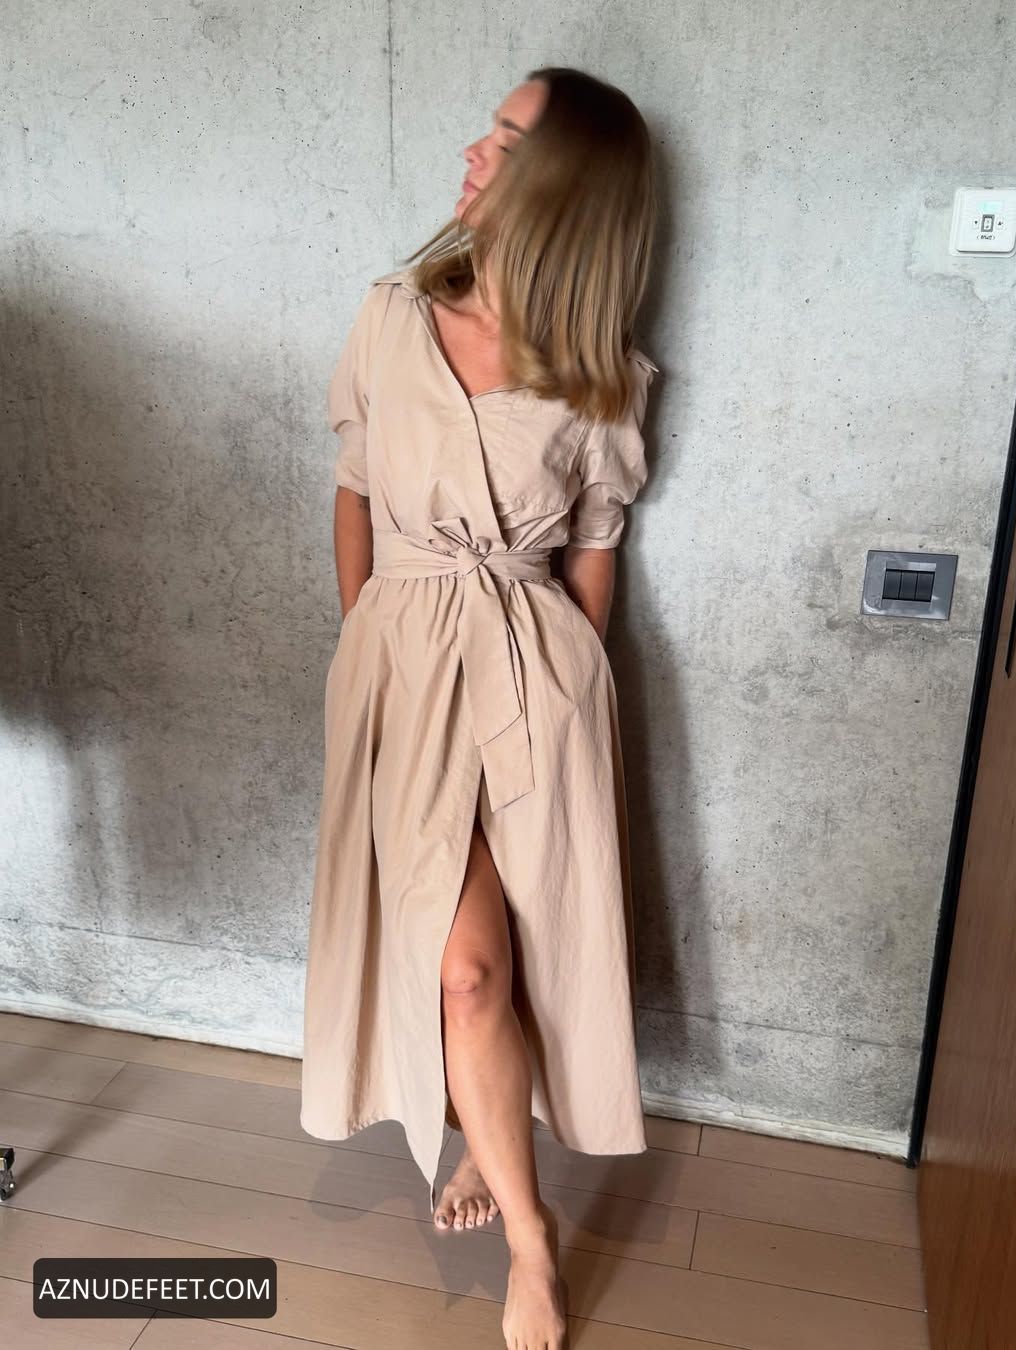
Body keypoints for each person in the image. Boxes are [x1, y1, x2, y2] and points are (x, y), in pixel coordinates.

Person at [301, 66, 660, 1350]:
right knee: (456, 960)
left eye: (505, 141)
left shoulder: (602, 376)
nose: (473, 150)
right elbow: (355, 487)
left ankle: (492, 1165)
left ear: (561, 188)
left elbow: (595, 548)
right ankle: (530, 1235)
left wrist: (573, 688)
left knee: (511, 961)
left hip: (535, 683)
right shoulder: (392, 316)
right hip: (402, 672)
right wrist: (367, 638)